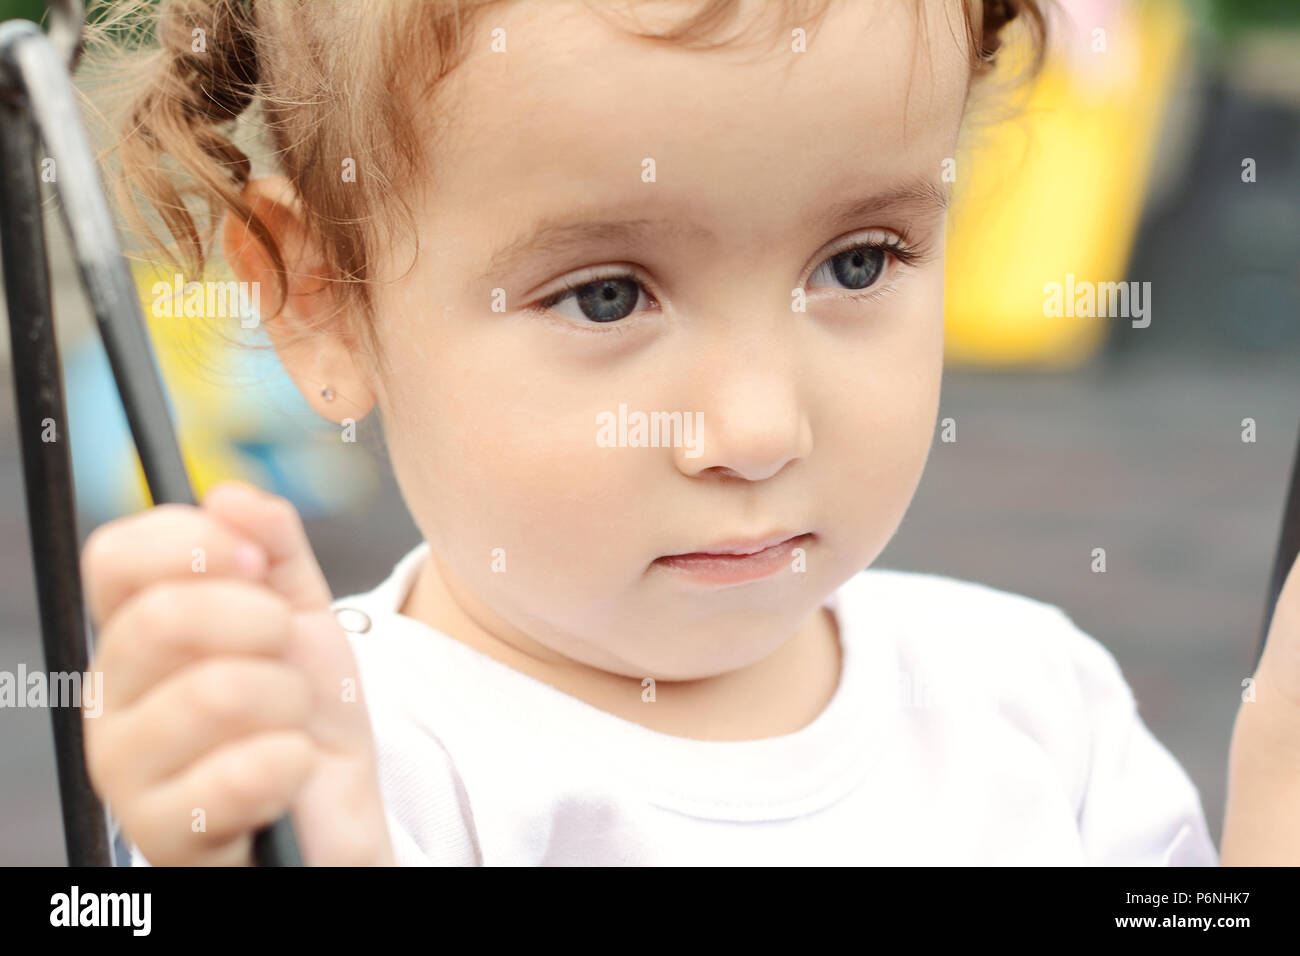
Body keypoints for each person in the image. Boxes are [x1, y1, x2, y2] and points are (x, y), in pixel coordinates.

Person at [76, 0, 1292, 866]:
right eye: (606, 294)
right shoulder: (353, 763)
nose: (757, 429)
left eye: (857, 261)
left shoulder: (1040, 702)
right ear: (321, 305)